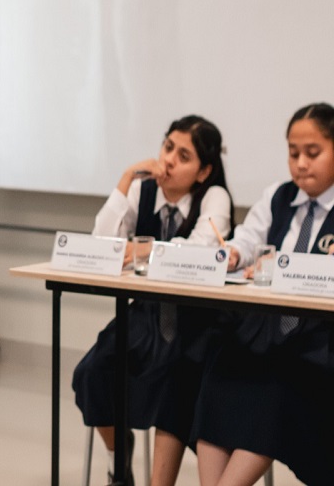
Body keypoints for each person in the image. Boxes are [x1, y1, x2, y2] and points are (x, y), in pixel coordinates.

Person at [72, 115, 234, 486]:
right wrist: (127, 176)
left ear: (204, 170)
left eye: (184, 155)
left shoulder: (214, 197)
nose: (170, 160)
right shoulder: (141, 189)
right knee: (91, 374)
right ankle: (119, 459)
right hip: (146, 314)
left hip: (199, 320)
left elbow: (195, 254)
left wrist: (136, 251)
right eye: (167, 147)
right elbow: (100, 246)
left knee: (175, 380)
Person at [193, 102, 334, 486]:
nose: (301, 164)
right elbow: (248, 241)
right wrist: (236, 254)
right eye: (293, 153)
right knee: (219, 369)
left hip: (320, 341)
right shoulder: (278, 196)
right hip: (270, 331)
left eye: (313, 153)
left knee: (276, 386)